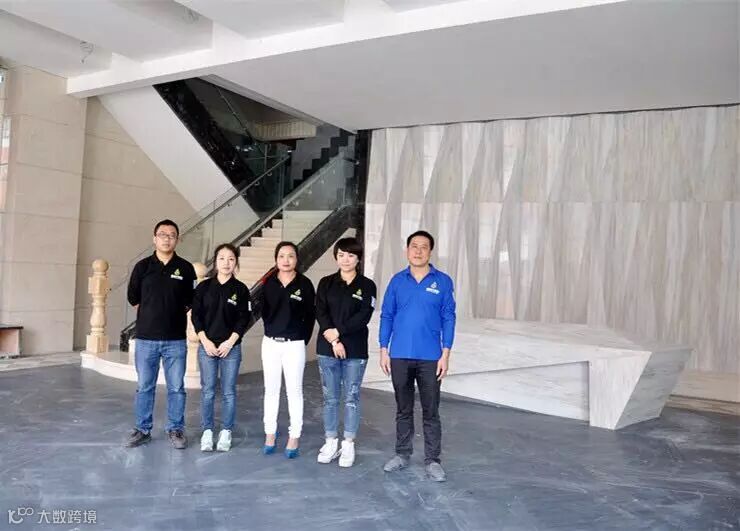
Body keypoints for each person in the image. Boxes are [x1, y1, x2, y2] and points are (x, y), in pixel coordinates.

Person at [379, 230, 456, 481]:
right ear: (407, 250)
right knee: (403, 408)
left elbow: (449, 317)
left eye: (424, 247)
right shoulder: (397, 281)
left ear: (430, 252)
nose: (418, 251)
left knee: (431, 410)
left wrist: (446, 353)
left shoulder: (443, 281)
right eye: (414, 246)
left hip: (431, 357)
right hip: (400, 355)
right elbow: (387, 315)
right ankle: (402, 454)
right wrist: (383, 349)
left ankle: (433, 460)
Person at [125, 219, 196, 449]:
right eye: (162, 234)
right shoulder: (142, 267)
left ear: (177, 239)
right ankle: (142, 429)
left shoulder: (185, 268)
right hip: (146, 339)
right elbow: (134, 298)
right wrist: (152, 313)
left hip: (176, 340)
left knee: (176, 388)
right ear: (154, 238)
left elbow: (190, 300)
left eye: (171, 235)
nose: (167, 238)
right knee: (145, 386)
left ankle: (175, 428)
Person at [315, 237, 377, 467]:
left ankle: (348, 443)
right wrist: (333, 340)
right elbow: (320, 312)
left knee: (351, 397)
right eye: (341, 254)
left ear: (358, 258)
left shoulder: (367, 285)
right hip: (327, 348)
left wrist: (338, 333)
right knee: (330, 398)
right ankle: (331, 441)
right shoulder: (326, 283)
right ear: (336, 257)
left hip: (355, 350)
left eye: (351, 255)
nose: (345, 259)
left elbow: (363, 316)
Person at [191, 243, 252, 452]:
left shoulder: (241, 289)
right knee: (208, 391)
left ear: (236, 263)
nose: (226, 263)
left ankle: (226, 431)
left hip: (231, 349)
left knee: (228, 392)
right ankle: (207, 431)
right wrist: (205, 341)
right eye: (222, 258)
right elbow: (196, 316)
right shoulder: (203, 287)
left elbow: (244, 319)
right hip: (207, 347)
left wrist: (230, 342)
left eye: (231, 259)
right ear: (215, 262)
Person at [259, 241, 315, 458]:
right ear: (276, 259)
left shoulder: (305, 284)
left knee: (294, 391)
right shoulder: (268, 283)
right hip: (270, 344)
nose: (286, 260)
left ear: (297, 259)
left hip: (294, 345)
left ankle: (294, 436)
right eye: (281, 256)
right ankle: (270, 433)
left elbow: (310, 316)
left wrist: (301, 340)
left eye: (290, 256)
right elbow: (264, 312)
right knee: (271, 390)